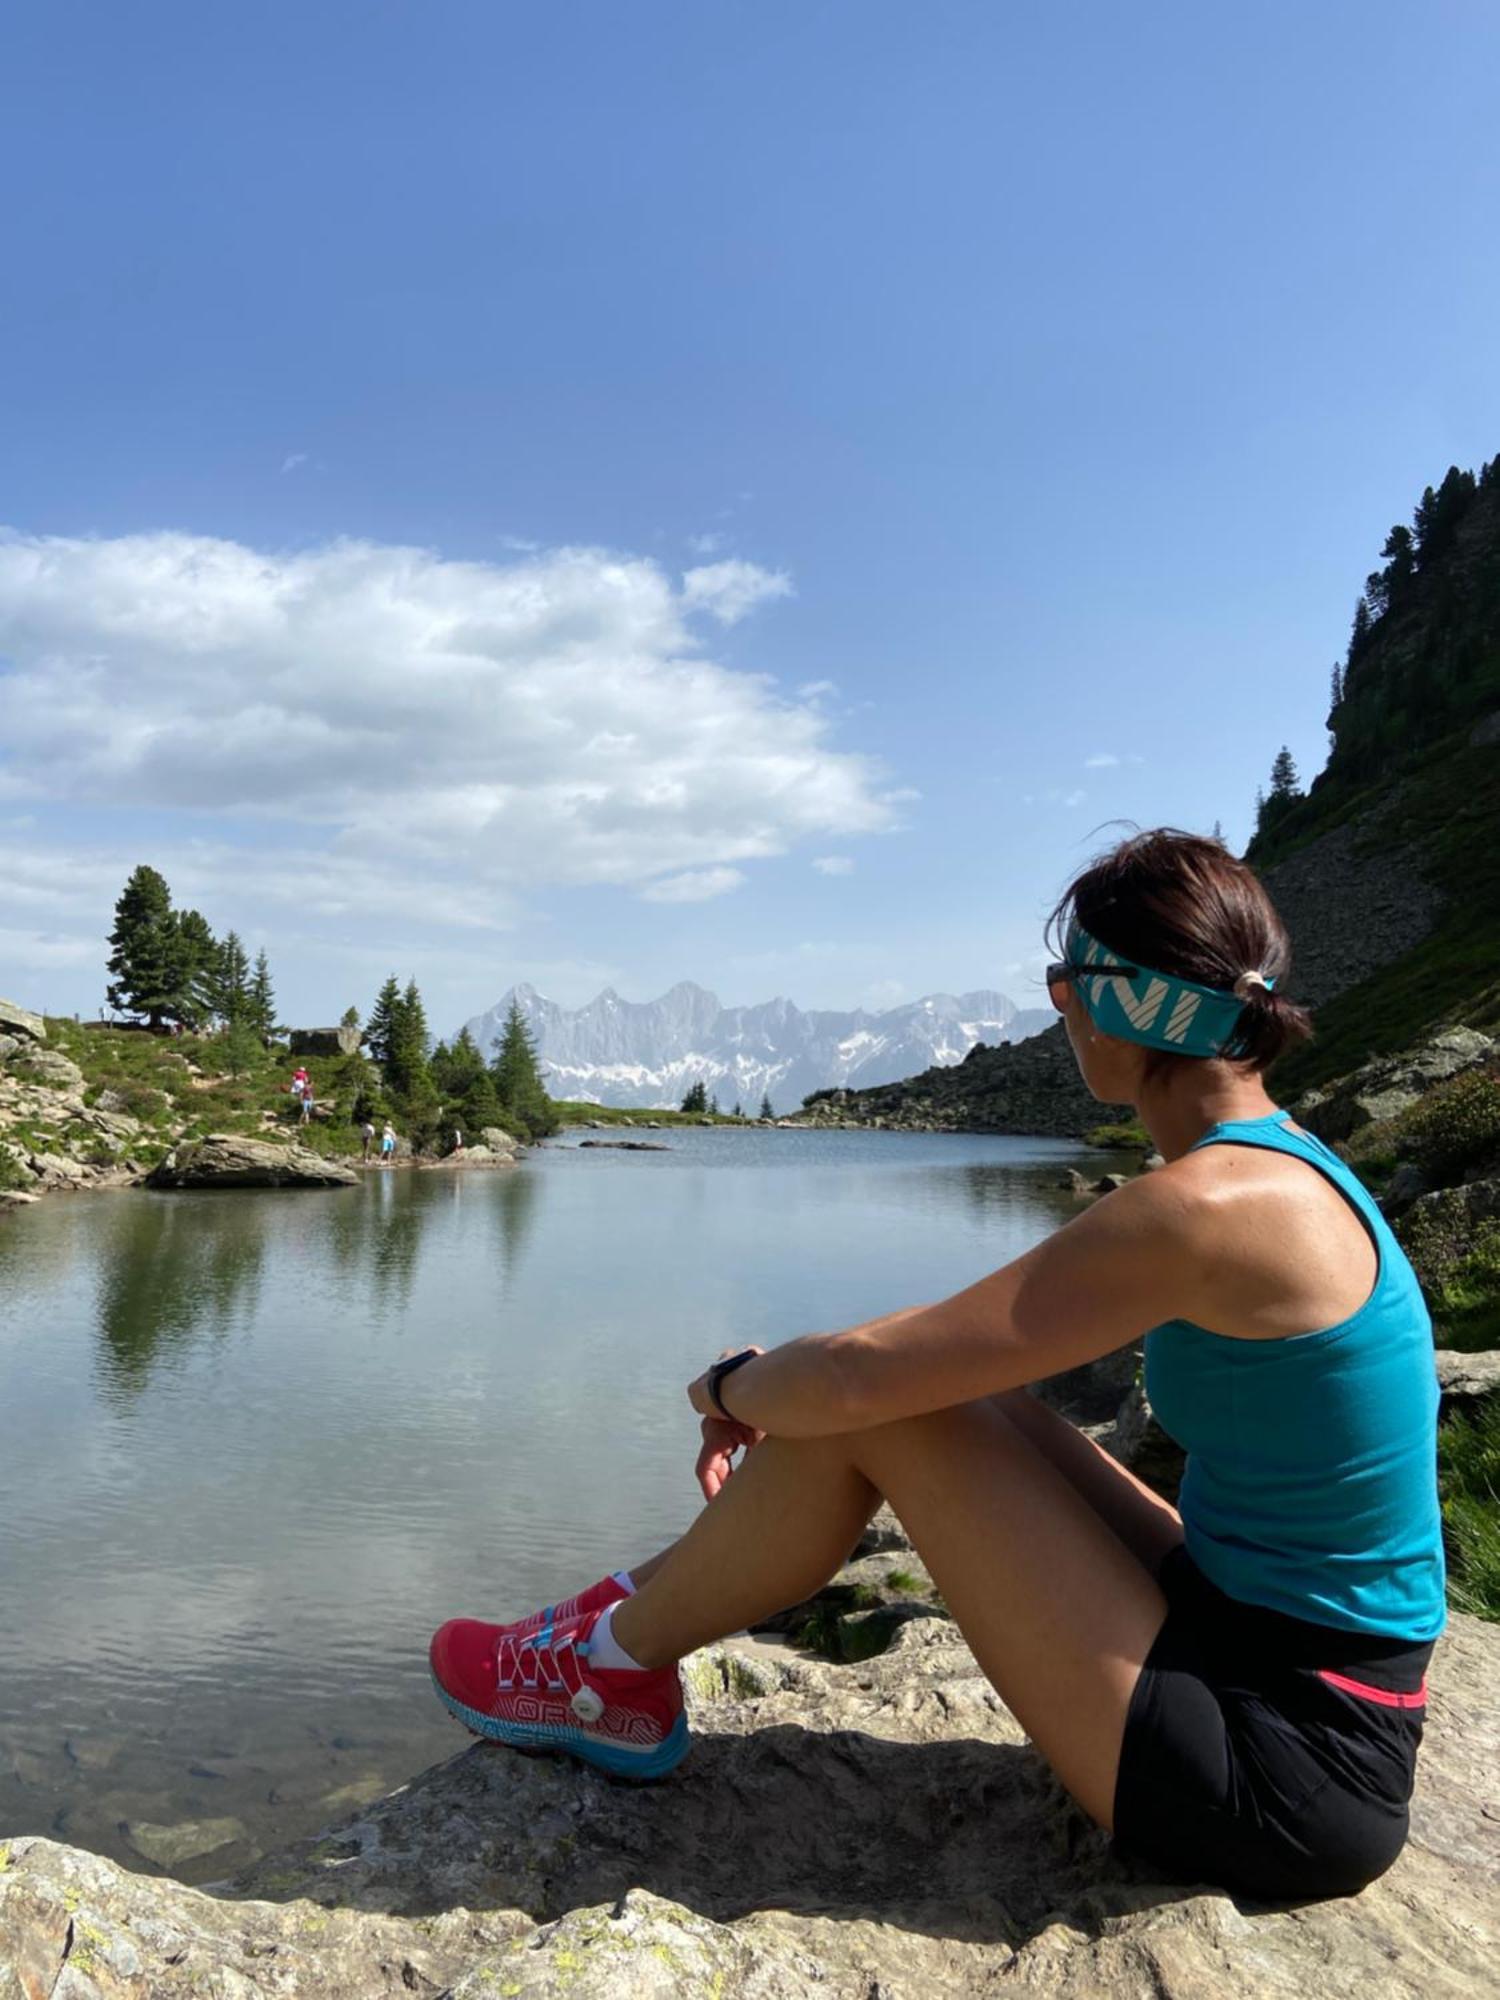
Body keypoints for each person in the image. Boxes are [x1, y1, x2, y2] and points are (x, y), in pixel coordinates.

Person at [429, 829, 1444, 1903]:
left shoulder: (1209, 1208)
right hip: (1260, 1643)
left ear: (1131, 1005)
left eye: (1066, 986)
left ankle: (600, 1674)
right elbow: (925, 1354)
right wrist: (810, 1380)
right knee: (945, 1387)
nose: (1057, 1011)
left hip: (1289, 1760)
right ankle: (619, 1628)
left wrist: (727, 1386)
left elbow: (869, 1383)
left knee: (890, 1405)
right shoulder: (1274, 1168)